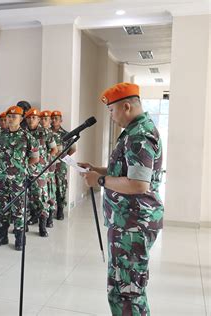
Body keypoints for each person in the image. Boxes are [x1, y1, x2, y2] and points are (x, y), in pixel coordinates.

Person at [79, 82, 164, 316]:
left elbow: (138, 184)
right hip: (127, 221)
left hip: (133, 225)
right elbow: (128, 172)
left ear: (126, 106)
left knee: (128, 291)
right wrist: (97, 169)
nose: (111, 116)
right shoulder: (133, 133)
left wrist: (100, 181)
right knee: (120, 287)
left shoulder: (139, 136)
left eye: (111, 110)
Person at [0, 105, 39, 250]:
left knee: (19, 209)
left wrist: (20, 169)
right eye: (9, 117)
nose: (11, 119)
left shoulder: (28, 137)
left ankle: (19, 238)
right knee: (1, 208)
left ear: (21, 119)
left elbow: (35, 159)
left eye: (14, 117)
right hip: (1, 179)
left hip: (18, 180)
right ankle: (3, 235)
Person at [25, 108, 57, 237]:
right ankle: (30, 219)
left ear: (38, 119)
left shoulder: (46, 133)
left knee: (42, 198)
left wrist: (45, 164)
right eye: (29, 118)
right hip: (26, 171)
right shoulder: (23, 133)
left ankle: (42, 226)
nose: (31, 120)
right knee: (28, 198)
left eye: (34, 118)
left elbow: (54, 150)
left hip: (40, 172)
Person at [51, 110, 76, 220]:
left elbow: (73, 149)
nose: (54, 120)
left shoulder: (66, 134)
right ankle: (49, 210)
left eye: (56, 118)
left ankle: (60, 209)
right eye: (52, 118)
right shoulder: (47, 132)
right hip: (49, 165)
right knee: (49, 187)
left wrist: (64, 158)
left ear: (61, 120)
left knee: (60, 187)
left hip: (60, 166)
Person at [40, 110, 57, 227]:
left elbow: (54, 150)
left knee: (51, 193)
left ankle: (50, 216)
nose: (43, 121)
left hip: (49, 168)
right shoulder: (39, 133)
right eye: (41, 119)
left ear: (50, 121)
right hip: (40, 169)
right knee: (42, 194)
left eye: (46, 119)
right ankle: (41, 216)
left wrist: (47, 158)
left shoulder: (51, 134)